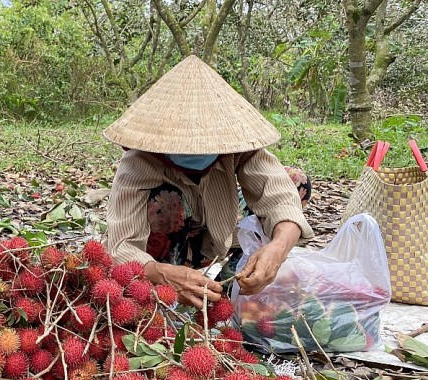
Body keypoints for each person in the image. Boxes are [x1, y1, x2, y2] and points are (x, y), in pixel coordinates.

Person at [103, 55, 313, 309]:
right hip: (167, 252)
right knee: (167, 200)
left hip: (221, 235)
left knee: (295, 180)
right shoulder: (139, 161)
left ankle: (237, 272)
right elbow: (121, 246)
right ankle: (183, 275)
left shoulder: (237, 147)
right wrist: (162, 274)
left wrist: (278, 249)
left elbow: (278, 194)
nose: (196, 148)